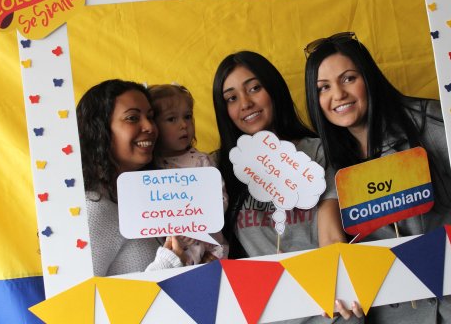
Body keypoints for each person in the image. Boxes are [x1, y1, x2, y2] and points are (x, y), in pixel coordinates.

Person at [304, 32, 451, 323]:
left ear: (368, 78)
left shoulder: (427, 120)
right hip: (399, 310)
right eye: (323, 87)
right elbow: (330, 235)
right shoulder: (328, 159)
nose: (338, 94)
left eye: (348, 78)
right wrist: (337, 282)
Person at [212, 51, 357, 323]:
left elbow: (332, 237)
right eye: (231, 98)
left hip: (328, 310)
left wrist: (341, 289)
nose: (245, 103)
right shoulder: (218, 169)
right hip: (265, 314)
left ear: (273, 89)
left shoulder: (318, 152)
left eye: (254, 88)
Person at [77, 79, 185, 277]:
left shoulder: (146, 200)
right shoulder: (93, 208)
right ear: (99, 130)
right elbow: (77, 294)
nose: (150, 127)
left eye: (150, 117)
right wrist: (166, 264)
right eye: (132, 118)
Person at [148, 83, 229, 265]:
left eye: (187, 116)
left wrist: (194, 225)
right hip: (168, 253)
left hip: (207, 247)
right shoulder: (149, 166)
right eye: (171, 119)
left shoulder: (201, 161)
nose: (184, 125)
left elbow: (220, 200)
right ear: (153, 126)